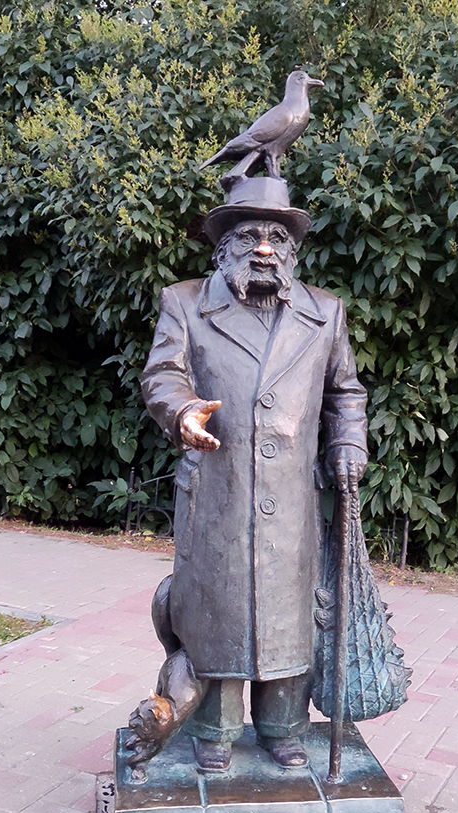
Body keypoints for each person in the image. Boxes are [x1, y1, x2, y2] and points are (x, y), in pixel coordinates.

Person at [136, 177, 368, 771]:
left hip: (291, 498)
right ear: (223, 249)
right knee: (215, 611)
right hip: (218, 490)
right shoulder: (186, 302)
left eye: (276, 238)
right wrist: (183, 411)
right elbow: (163, 374)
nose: (264, 248)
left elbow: (344, 393)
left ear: (292, 251)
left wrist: (347, 443)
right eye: (248, 236)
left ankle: (282, 727)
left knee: (288, 612)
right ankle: (212, 731)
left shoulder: (325, 312)